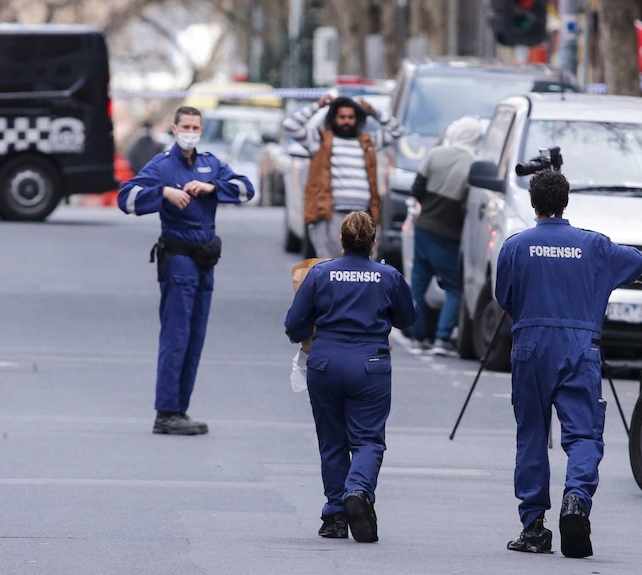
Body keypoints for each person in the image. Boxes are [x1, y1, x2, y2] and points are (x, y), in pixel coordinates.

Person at [494, 169, 642, 559]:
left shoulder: (515, 246)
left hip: (530, 345)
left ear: (533, 203)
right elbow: (637, 262)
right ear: (566, 201)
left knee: (531, 434)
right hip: (580, 348)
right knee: (583, 435)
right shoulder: (594, 246)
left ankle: (533, 527)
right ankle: (576, 500)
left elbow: (504, 297)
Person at [117, 106, 254, 435]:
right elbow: (127, 198)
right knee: (176, 336)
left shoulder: (210, 164)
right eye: (186, 126)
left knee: (195, 338)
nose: (191, 131)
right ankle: (166, 411)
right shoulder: (163, 166)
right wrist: (162, 193)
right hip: (179, 261)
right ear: (175, 130)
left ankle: (180, 409)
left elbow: (247, 189)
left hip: (205, 262)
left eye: (196, 126)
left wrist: (213, 188)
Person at [284, 211, 417, 543]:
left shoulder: (320, 274)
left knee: (332, 440)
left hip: (326, 362)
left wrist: (306, 336)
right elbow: (407, 317)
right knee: (368, 440)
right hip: (370, 364)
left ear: (341, 241)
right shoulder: (388, 276)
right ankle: (357, 490)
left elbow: (294, 324)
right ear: (373, 243)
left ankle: (334, 516)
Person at [282, 94, 403, 258]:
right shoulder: (319, 141)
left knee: (362, 265)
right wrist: (317, 106)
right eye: (342, 117)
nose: (347, 121)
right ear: (333, 119)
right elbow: (290, 125)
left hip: (363, 215)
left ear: (358, 119)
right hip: (331, 214)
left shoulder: (368, 143)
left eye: (351, 117)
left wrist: (373, 112)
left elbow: (396, 130)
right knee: (333, 263)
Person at [408, 116, 482, 357]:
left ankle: (417, 336)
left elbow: (417, 189)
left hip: (424, 227)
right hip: (449, 234)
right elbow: (469, 205)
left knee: (418, 283)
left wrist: (428, 208)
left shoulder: (435, 154)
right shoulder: (473, 163)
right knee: (452, 287)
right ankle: (442, 337)